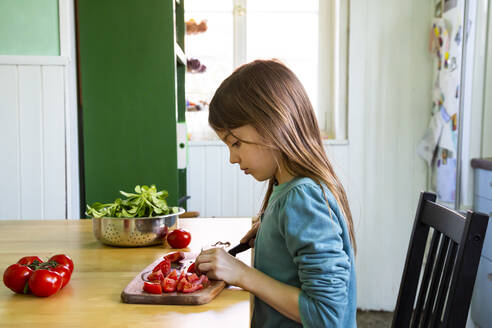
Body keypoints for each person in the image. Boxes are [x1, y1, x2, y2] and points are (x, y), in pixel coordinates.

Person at [195, 59, 357, 327]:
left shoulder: (303, 199)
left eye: (235, 143)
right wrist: (270, 231)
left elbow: (328, 317)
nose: (232, 158)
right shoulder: (293, 191)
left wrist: (242, 274)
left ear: (274, 124)